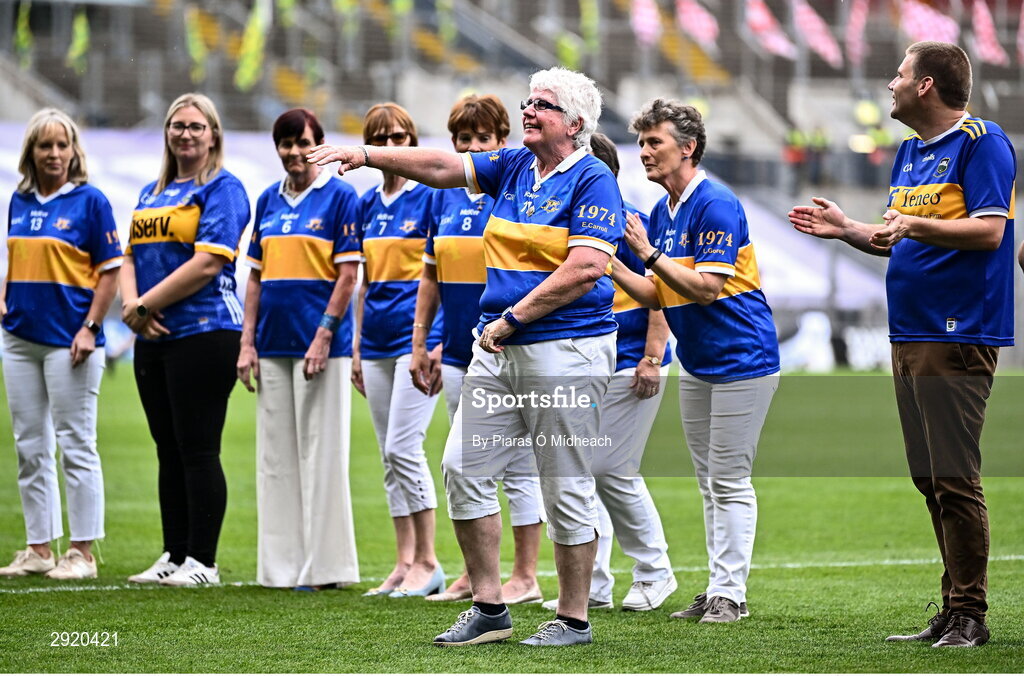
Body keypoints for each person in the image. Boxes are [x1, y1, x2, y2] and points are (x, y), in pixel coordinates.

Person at [310, 67, 622, 646]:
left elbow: (586, 267)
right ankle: (489, 608)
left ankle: (573, 620)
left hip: (565, 348)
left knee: (564, 481)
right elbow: (440, 167)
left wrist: (511, 318)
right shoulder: (513, 166)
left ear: (575, 124)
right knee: (461, 467)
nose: (528, 110)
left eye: (543, 105)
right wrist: (368, 155)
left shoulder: (594, 177)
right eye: (527, 101)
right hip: (500, 345)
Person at [789, 41, 1014, 648]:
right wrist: (847, 230)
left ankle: (970, 614)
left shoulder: (981, 142)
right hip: (909, 330)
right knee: (929, 476)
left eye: (899, 74)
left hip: (957, 329)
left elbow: (990, 232)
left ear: (925, 87)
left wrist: (913, 224)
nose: (889, 84)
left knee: (955, 476)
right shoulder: (912, 152)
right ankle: (951, 607)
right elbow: (899, 238)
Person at [612, 98, 780, 624]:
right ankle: (718, 587)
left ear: (688, 148)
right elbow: (658, 295)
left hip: (743, 358)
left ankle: (731, 592)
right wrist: (611, 264)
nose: (644, 151)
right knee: (710, 480)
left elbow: (706, 289)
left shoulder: (715, 203)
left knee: (728, 479)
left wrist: (648, 255)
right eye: (641, 142)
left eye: (654, 141)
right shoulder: (666, 210)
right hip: (701, 361)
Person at [410, 94, 544, 606]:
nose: (471, 147)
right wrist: (422, 339)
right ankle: (473, 573)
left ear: (501, 144)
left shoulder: (511, 189)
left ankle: (525, 575)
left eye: (481, 139)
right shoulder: (441, 196)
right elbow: (429, 274)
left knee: (516, 465)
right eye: (462, 140)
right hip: (456, 349)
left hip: (506, 345)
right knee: (464, 463)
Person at [541, 132, 676, 612]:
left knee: (610, 468)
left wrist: (653, 357)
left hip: (630, 361)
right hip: (584, 362)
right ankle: (592, 582)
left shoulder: (631, 223)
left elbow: (662, 291)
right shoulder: (563, 222)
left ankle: (654, 571)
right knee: (578, 470)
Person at [121, 93, 250, 587]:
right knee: (167, 448)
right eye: (177, 125)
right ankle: (173, 554)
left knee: (198, 448)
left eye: (197, 126)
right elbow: (130, 255)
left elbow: (209, 261)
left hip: (206, 331)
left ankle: (203, 561)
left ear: (213, 134)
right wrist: (135, 311)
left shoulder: (224, 187)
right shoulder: (152, 191)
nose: (186, 134)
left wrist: (144, 305)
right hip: (151, 335)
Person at [236, 108, 361, 590]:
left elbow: (348, 274)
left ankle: (325, 570)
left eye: (301, 142)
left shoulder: (341, 198)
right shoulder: (267, 199)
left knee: (322, 454)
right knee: (275, 459)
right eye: (284, 143)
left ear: (318, 144)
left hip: (320, 348)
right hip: (270, 343)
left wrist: (325, 333)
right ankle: (280, 569)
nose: (293, 152)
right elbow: (255, 278)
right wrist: (246, 342)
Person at [0, 108, 121, 580]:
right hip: (19, 338)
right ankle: (39, 549)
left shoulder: (91, 202)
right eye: (44, 145)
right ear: (30, 152)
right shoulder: (19, 200)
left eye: (61, 145)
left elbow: (110, 272)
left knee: (75, 444)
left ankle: (82, 553)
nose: (53, 154)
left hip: (70, 341)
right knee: (29, 446)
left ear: (74, 151)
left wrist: (90, 328)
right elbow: (14, 257)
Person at [352, 103, 445, 599]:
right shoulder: (367, 205)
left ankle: (428, 561)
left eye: (401, 137)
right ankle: (404, 559)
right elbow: (363, 284)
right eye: (381, 138)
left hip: (415, 344)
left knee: (403, 448)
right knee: (389, 458)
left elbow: (438, 276)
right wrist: (353, 347)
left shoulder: (429, 198)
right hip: (373, 344)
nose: (392, 146)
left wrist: (431, 340)